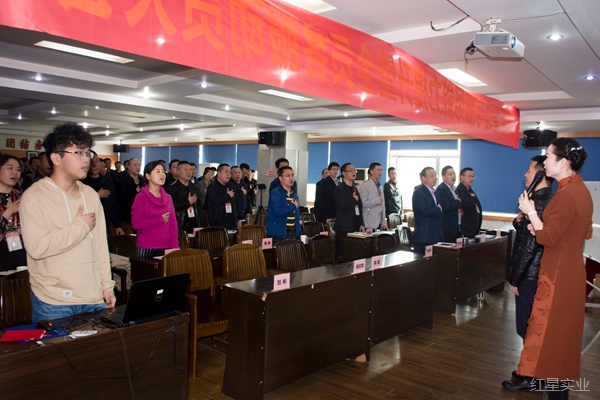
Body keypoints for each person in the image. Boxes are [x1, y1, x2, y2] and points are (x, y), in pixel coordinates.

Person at [502, 139, 593, 400]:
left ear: (563, 162)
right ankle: (555, 393)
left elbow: (550, 238)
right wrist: (538, 227)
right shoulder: (579, 190)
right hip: (569, 271)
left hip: (558, 276)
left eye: (550, 157)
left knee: (553, 345)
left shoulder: (567, 194)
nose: (546, 163)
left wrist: (531, 213)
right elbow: (580, 231)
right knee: (559, 345)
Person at [20, 122, 115, 322]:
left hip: (93, 296)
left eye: (87, 153)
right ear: (56, 158)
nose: (86, 159)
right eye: (78, 153)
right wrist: (80, 227)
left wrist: (107, 285)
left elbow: (100, 245)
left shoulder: (90, 195)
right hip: (53, 301)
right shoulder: (34, 196)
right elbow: (37, 248)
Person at [509, 156, 554, 342]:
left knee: (527, 327)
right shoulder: (540, 199)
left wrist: (514, 278)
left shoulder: (539, 204)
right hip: (535, 272)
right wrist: (518, 221)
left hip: (529, 275)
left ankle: (530, 361)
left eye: (529, 170)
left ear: (539, 175)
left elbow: (529, 247)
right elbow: (525, 232)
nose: (525, 174)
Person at [131, 161, 179, 257]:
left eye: (163, 171)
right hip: (147, 246)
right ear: (148, 176)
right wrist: (159, 220)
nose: (162, 174)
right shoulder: (140, 197)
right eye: (157, 171)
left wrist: (175, 247)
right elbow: (136, 224)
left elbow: (173, 225)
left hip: (166, 246)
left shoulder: (168, 197)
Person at [81, 154, 124, 236]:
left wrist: (118, 225)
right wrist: (97, 195)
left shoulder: (107, 180)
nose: (94, 165)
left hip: (106, 222)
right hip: (89, 223)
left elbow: (114, 203)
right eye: (91, 162)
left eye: (96, 161)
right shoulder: (82, 182)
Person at [0, 154, 27, 271]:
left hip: (21, 256)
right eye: (10, 168)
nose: (15, 173)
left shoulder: (23, 197)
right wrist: (9, 211)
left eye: (18, 169)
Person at [334, 163, 365, 254]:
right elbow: (343, 205)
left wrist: (361, 223)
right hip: (344, 228)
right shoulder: (339, 189)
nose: (353, 172)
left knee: (355, 253)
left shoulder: (355, 189)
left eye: (354, 170)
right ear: (343, 173)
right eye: (350, 171)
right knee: (344, 255)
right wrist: (354, 199)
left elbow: (359, 207)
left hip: (355, 226)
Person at [412, 167, 443, 255]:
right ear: (423, 178)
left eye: (435, 176)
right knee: (423, 261)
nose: (435, 178)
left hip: (435, 235)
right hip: (424, 236)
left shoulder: (435, 192)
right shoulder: (419, 193)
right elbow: (424, 211)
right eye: (431, 176)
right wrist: (438, 209)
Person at [266, 165, 301, 242]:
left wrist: (299, 232)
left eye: (292, 175)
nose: (291, 178)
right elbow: (278, 212)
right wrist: (292, 206)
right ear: (280, 178)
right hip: (279, 233)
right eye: (288, 176)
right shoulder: (275, 193)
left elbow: (297, 215)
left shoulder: (294, 194)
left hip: (293, 232)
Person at [168, 160, 202, 233]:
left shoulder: (195, 188)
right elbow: (171, 207)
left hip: (194, 225)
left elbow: (199, 209)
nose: (189, 172)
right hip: (179, 225)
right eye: (185, 170)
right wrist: (188, 203)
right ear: (178, 172)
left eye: (190, 170)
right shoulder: (172, 188)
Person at [206, 163, 241, 230]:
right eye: (226, 172)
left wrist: (239, 218)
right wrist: (227, 196)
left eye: (229, 172)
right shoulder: (212, 187)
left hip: (232, 222)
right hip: (218, 223)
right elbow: (214, 202)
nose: (228, 174)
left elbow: (236, 203)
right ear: (219, 173)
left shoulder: (231, 186)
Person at [435, 166, 462, 242]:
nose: (453, 176)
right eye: (450, 174)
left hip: (457, 227)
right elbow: (446, 206)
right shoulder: (441, 189)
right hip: (448, 228)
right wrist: (458, 202)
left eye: (454, 174)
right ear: (443, 177)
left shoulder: (455, 189)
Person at [359, 162, 387, 230]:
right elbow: (363, 203)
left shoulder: (380, 187)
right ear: (371, 171)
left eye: (381, 170)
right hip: (369, 223)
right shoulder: (365, 185)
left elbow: (383, 206)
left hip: (379, 222)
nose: (380, 172)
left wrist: (384, 222)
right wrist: (377, 200)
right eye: (378, 170)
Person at [117, 157, 144, 224]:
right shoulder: (123, 181)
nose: (138, 167)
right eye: (135, 165)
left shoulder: (143, 180)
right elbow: (122, 199)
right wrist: (135, 193)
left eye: (139, 165)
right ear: (128, 167)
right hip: (127, 216)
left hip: (142, 214)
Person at [456, 167, 482, 238]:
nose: (471, 179)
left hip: (474, 229)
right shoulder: (460, 190)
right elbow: (467, 204)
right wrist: (473, 198)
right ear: (461, 177)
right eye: (469, 176)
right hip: (466, 228)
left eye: (473, 177)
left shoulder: (470, 190)